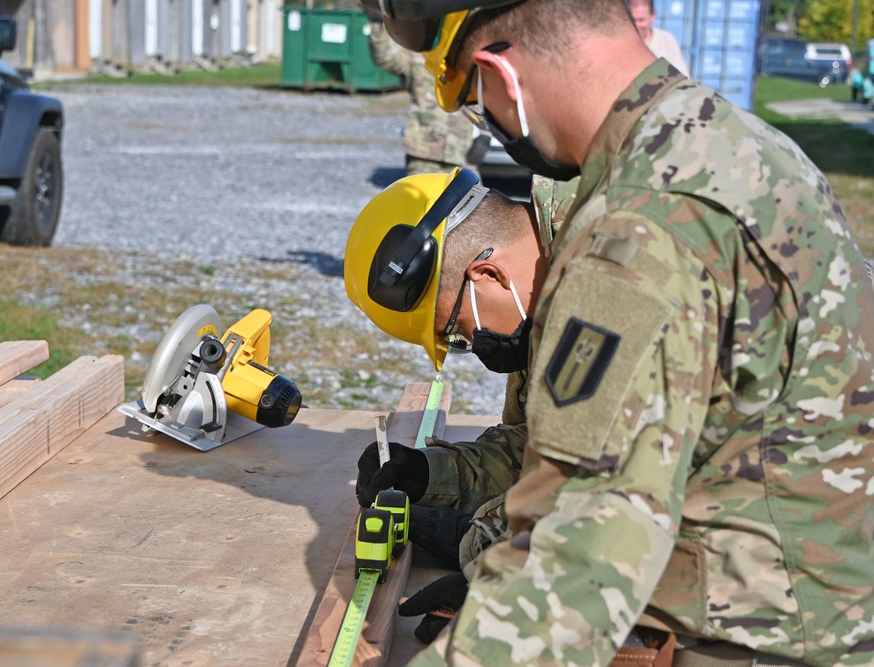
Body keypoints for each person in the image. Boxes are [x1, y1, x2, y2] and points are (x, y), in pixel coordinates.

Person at [353, 0, 874, 665]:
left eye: (478, 103)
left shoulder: (638, 231)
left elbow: (581, 564)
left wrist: (490, 572)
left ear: (498, 74)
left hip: (764, 638)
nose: (494, 124)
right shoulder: (727, 143)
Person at [345, 167, 577, 641]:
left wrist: (491, 555)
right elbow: (537, 448)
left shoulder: (610, 274)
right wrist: (431, 474)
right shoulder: (544, 296)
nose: (468, 343)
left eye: (456, 331)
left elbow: (621, 483)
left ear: (487, 274)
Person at [366, 11, 487, 175]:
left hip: (462, 153)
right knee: (423, 200)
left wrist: (485, 135)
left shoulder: (468, 55)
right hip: (423, 154)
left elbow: (485, 96)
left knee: (472, 200)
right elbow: (384, 58)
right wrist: (378, 24)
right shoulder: (417, 55)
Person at [629, 0, 689, 77]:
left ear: (653, 16)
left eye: (641, 20)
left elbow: (683, 80)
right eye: (633, 20)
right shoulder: (620, 42)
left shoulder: (666, 41)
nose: (636, 25)